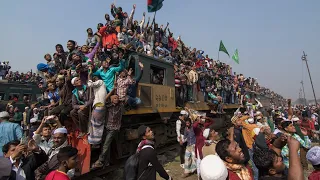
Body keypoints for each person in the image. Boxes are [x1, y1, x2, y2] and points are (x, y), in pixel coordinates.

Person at [87, 67, 107, 145]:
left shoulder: (100, 82)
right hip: (99, 105)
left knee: (95, 124)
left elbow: (90, 84)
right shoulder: (100, 86)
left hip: (99, 105)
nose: (94, 78)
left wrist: (89, 76)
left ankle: (94, 141)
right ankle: (95, 140)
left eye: (94, 77)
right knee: (97, 124)